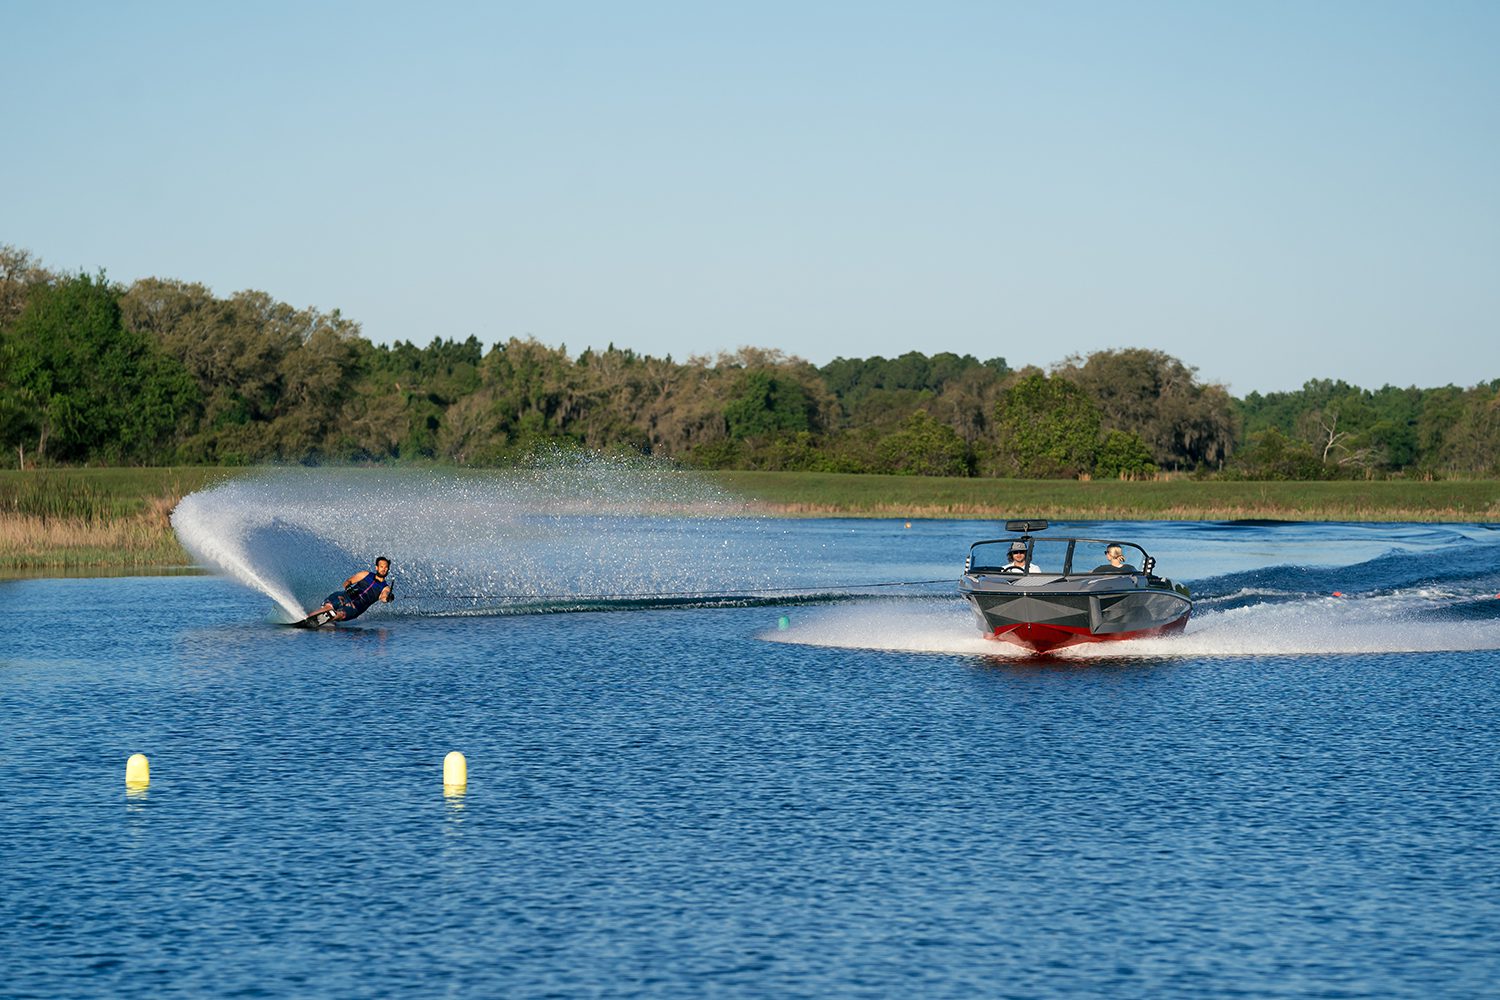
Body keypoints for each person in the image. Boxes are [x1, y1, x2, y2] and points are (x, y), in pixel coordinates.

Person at [314, 556, 395, 621]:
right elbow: (348, 581)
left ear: (388, 569)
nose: (384, 569)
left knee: (341, 614)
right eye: (381, 567)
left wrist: (389, 598)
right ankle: (307, 619)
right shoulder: (365, 574)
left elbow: (384, 597)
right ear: (377, 567)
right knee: (329, 607)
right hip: (345, 596)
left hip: (355, 608)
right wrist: (348, 588)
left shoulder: (385, 588)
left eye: (386, 567)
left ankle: (330, 617)